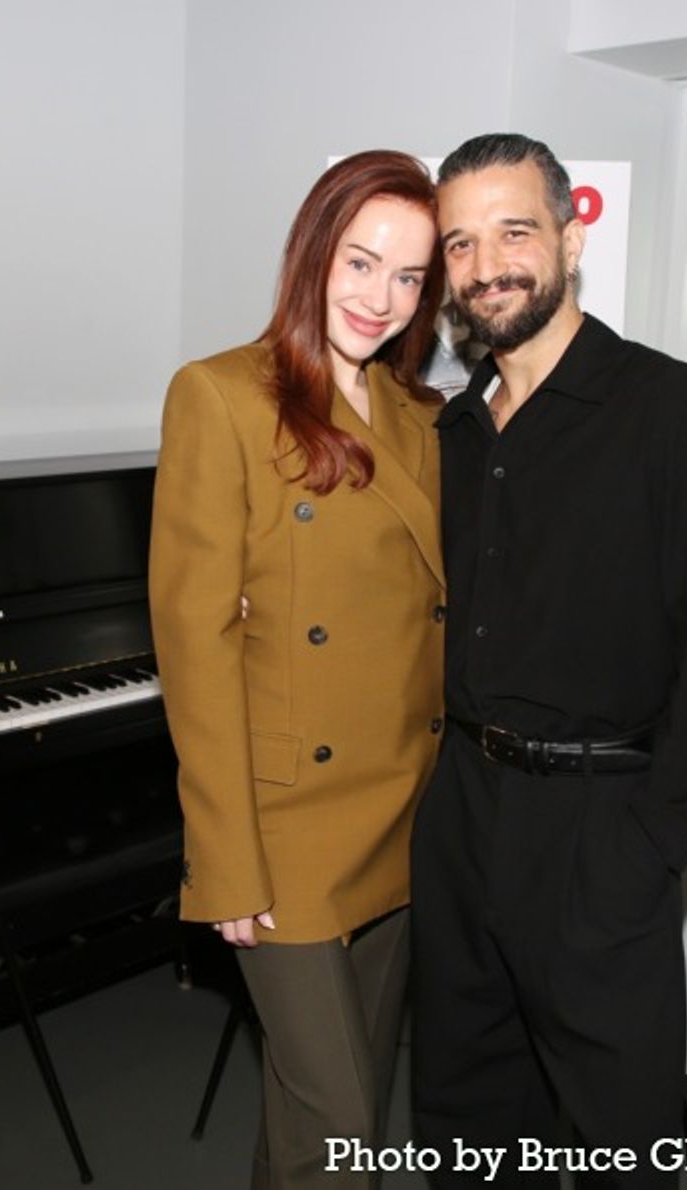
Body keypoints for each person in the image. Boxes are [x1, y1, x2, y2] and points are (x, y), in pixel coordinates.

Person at [409, 133, 687, 1186]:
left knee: (621, 1134)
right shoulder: (451, 433)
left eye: (514, 231)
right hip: (461, 813)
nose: (487, 265)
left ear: (570, 239)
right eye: (460, 243)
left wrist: (648, 840)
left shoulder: (679, 417)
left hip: (597, 824)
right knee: (466, 1108)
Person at [149, 150, 447, 1189]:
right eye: (360, 262)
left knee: (316, 1101)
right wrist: (222, 855)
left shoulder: (420, 415)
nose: (380, 298)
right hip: (281, 821)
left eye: (408, 277)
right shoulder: (221, 396)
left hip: (397, 806)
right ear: (313, 254)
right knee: (346, 1128)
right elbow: (194, 644)